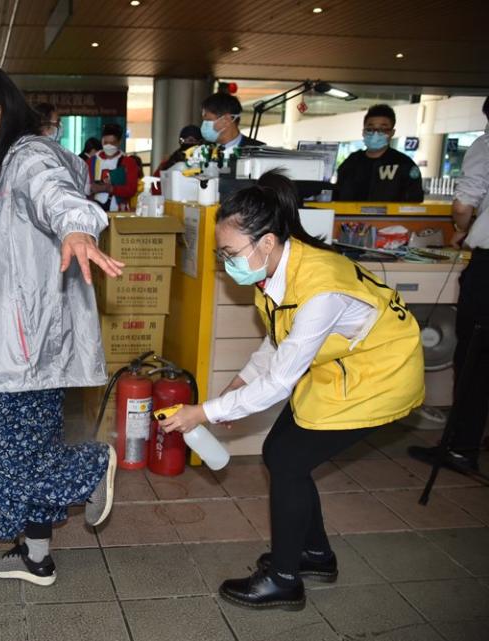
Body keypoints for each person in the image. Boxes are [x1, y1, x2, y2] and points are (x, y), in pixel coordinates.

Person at [158, 170, 424, 610]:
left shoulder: (318, 288)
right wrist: (238, 385)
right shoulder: (282, 266)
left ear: (265, 241)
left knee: (286, 458)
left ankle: (284, 580)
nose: (226, 263)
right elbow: (278, 339)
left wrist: (203, 412)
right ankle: (315, 555)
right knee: (283, 454)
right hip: (343, 369)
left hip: (380, 376)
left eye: (229, 252)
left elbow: (281, 380)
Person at [0, 66, 124, 587]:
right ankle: (36, 558)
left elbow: (60, 199)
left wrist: (77, 227)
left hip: (23, 344)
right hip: (37, 336)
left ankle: (89, 468)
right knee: (33, 450)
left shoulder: (28, 156)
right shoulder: (15, 161)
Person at [409, 97, 489, 473]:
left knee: (473, 357)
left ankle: (462, 446)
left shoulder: (485, 145)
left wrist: (460, 231)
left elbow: (463, 203)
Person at [335, 104, 424, 202]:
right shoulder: (352, 162)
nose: (375, 133)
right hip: (350, 217)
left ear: (392, 133)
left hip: (390, 217)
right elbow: (336, 194)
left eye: (382, 129)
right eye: (370, 129)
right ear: (363, 131)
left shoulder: (404, 165)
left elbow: (414, 201)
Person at [88, 123, 140, 211]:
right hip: (95, 210)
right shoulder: (92, 161)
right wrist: (91, 188)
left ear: (119, 142)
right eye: (105, 142)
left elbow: (132, 189)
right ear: (102, 141)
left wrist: (111, 189)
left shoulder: (128, 162)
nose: (108, 146)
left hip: (119, 211)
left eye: (112, 143)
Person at [152, 125, 203, 195]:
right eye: (185, 140)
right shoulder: (170, 161)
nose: (189, 143)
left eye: (192, 140)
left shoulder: (206, 162)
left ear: (199, 142)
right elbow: (156, 186)